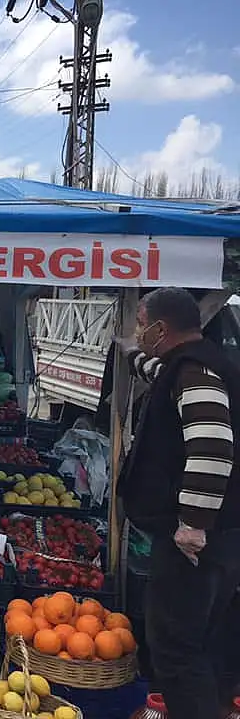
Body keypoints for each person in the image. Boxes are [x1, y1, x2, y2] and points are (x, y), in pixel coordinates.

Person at [115, 287, 240, 719]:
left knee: (176, 649)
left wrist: (193, 524)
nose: (138, 331)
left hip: (198, 545)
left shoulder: (196, 372)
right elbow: (160, 373)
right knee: (201, 644)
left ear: (160, 328)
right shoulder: (190, 364)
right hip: (217, 539)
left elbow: (212, 448)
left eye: (140, 325)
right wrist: (130, 353)